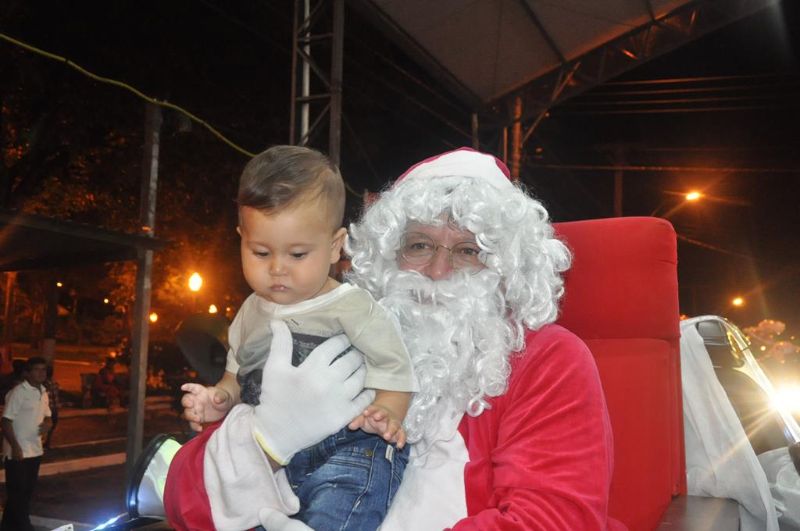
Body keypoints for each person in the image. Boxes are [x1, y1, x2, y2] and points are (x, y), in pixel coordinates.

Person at [151, 147, 620, 529]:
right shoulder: (326, 335)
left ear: (505, 266)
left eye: (468, 250)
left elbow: (554, 521)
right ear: (387, 255)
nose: (438, 271)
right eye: (419, 245)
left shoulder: (547, 360)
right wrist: (268, 438)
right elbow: (184, 504)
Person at [179, 145, 416, 530]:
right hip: (277, 464)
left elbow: (396, 370)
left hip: (351, 447)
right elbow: (236, 375)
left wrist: (387, 413)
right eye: (260, 252)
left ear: (335, 246)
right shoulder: (249, 312)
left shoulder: (354, 307)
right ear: (241, 238)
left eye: (298, 254)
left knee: (340, 511)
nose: (278, 268)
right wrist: (219, 399)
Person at [1, 356, 52, 531]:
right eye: (36, 369)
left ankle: (8, 526)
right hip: (18, 451)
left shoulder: (43, 392)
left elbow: (48, 415)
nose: (41, 373)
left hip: (35, 450)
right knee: (18, 493)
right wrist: (15, 447)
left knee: (25, 492)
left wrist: (48, 423)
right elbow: (6, 421)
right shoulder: (19, 392)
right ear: (27, 373)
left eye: (43, 369)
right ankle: (25, 526)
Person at [43, 364, 60, 449]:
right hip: (52, 408)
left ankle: (46, 442)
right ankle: (47, 442)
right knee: (51, 425)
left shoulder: (46, 383)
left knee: (50, 425)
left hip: (50, 408)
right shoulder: (52, 383)